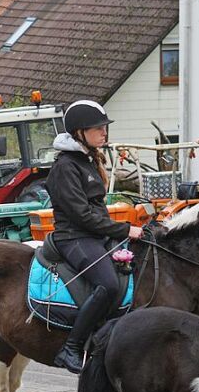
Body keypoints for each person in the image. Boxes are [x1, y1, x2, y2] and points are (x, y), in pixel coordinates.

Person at [45, 100, 144, 374]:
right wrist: (124, 229)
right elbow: (82, 216)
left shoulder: (86, 160)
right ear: (79, 132)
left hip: (92, 235)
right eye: (98, 128)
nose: (104, 132)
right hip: (74, 237)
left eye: (104, 127)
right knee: (109, 285)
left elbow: (96, 210)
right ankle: (71, 347)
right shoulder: (66, 167)